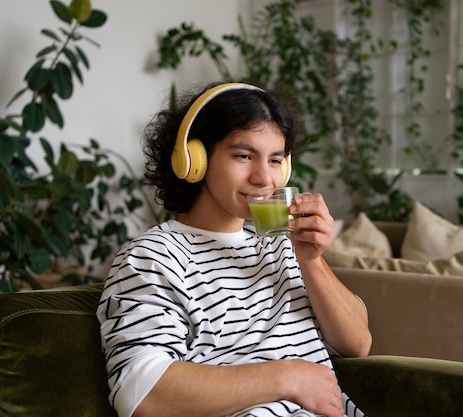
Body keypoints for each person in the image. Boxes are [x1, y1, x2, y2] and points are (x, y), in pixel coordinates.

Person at [97, 82, 372, 417]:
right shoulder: (153, 256)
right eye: (243, 155)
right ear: (193, 160)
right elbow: (141, 394)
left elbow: (358, 344)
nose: (263, 178)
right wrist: (288, 377)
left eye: (275, 160)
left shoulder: (282, 246)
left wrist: (311, 260)